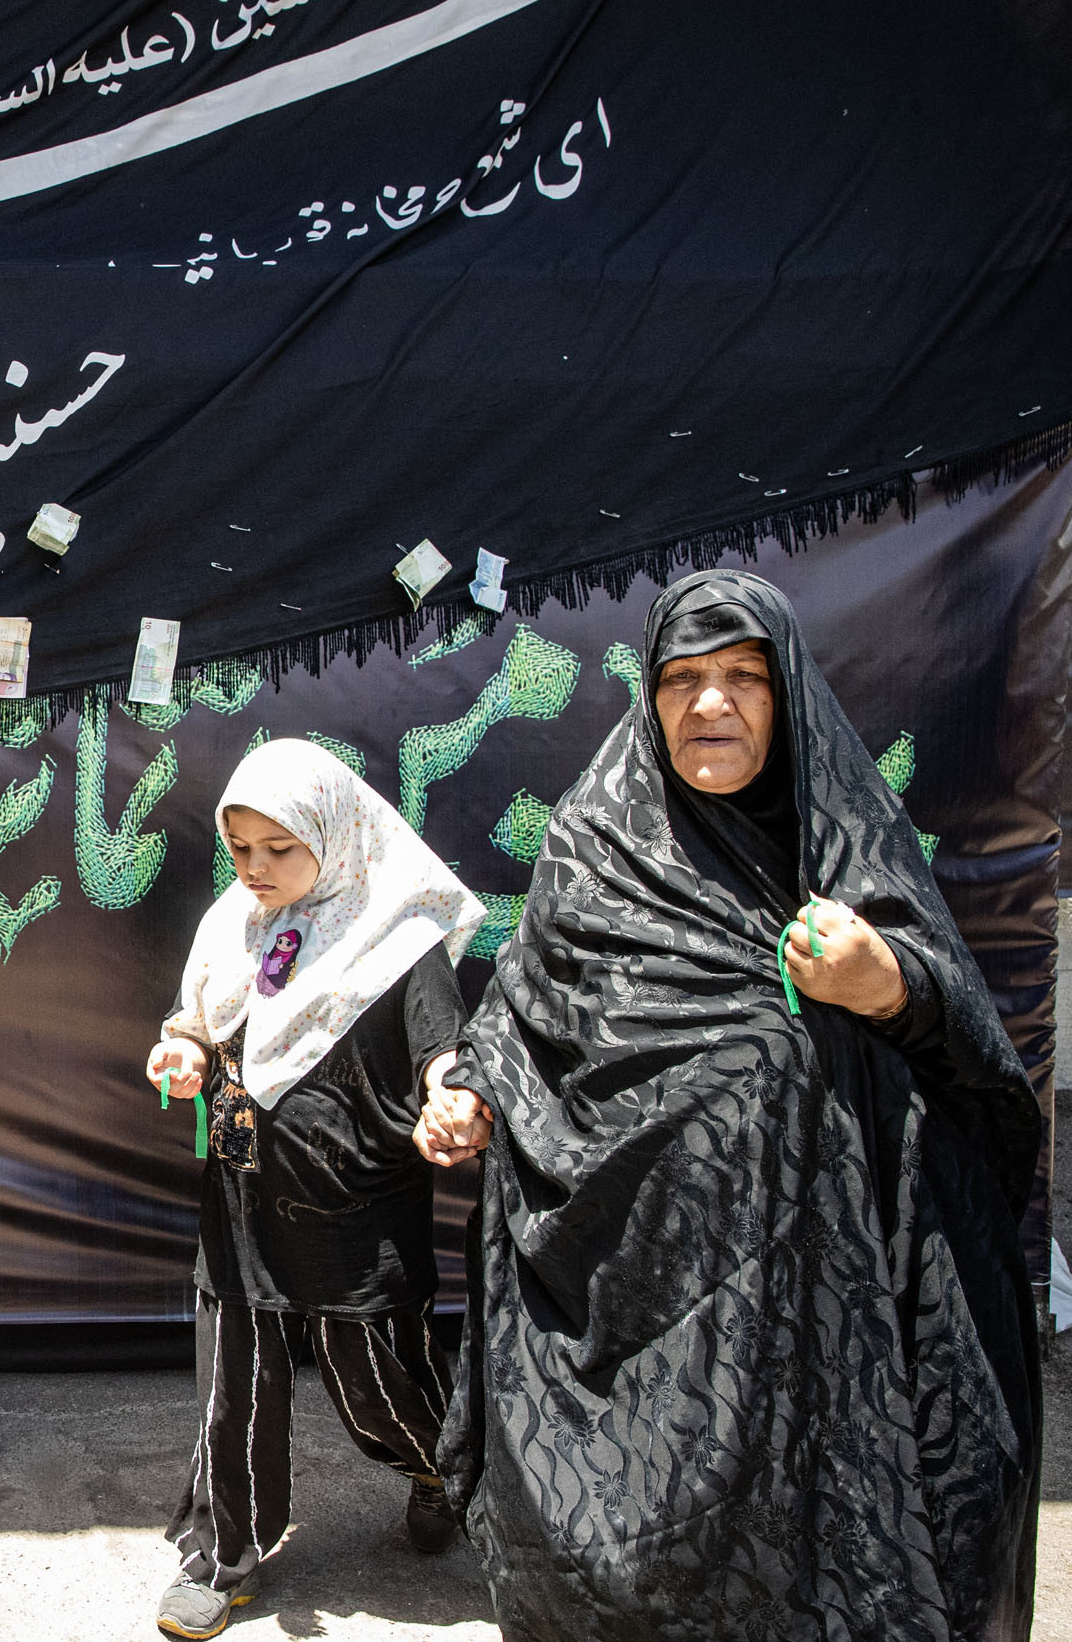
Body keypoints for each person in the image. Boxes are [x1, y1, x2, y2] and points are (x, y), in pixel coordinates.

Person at [425, 570, 1042, 1641]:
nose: (710, 703)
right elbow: (525, 1004)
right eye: (683, 678)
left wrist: (887, 984)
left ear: (786, 693)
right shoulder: (595, 839)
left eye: (744, 676)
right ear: (651, 695)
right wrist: (469, 1084)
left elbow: (971, 1058)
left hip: (815, 1327)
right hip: (634, 1298)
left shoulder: (840, 839)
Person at [145, 739, 483, 1641]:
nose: (254, 868)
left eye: (278, 848)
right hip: (242, 1204)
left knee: (380, 1384)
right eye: (239, 847)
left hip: (357, 1213)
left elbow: (442, 1046)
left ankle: (441, 1472)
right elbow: (198, 1023)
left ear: (333, 834)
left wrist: (450, 1094)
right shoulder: (233, 922)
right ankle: (222, 1555)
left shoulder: (399, 933)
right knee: (234, 1392)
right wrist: (182, 1052)